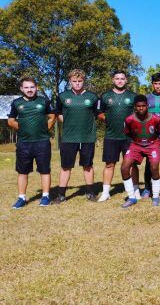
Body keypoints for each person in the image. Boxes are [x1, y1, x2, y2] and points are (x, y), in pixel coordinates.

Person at [8, 76, 56, 209]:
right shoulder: (16, 103)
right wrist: (23, 128)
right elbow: (11, 121)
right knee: (22, 172)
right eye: (26, 87)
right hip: (24, 143)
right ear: (21, 89)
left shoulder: (44, 101)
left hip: (42, 142)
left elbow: (52, 117)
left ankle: (45, 196)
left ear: (36, 88)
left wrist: (44, 129)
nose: (29, 90)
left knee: (45, 170)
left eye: (32, 87)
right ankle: (21, 198)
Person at [54, 69, 99, 203]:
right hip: (69, 138)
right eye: (74, 81)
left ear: (84, 81)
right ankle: (61, 195)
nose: (77, 84)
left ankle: (90, 193)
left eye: (80, 81)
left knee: (88, 165)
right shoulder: (62, 96)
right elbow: (58, 114)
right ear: (70, 81)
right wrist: (69, 123)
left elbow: (97, 114)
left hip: (87, 137)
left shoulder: (92, 97)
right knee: (66, 166)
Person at [97, 71, 137, 202]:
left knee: (131, 165)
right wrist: (107, 118)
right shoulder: (105, 96)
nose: (120, 81)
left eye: (122, 78)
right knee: (109, 164)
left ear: (126, 80)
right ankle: (106, 192)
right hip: (111, 136)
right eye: (117, 78)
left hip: (129, 137)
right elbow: (99, 113)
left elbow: (139, 113)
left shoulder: (133, 96)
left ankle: (135, 190)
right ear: (113, 80)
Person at [121, 95, 160, 208]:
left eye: (143, 106)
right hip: (136, 144)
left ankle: (155, 196)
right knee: (124, 168)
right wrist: (138, 141)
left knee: (154, 168)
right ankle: (131, 197)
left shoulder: (156, 119)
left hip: (152, 145)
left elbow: (159, 131)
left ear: (147, 106)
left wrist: (150, 141)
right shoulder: (129, 119)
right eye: (138, 106)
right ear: (135, 107)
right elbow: (128, 132)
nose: (141, 108)